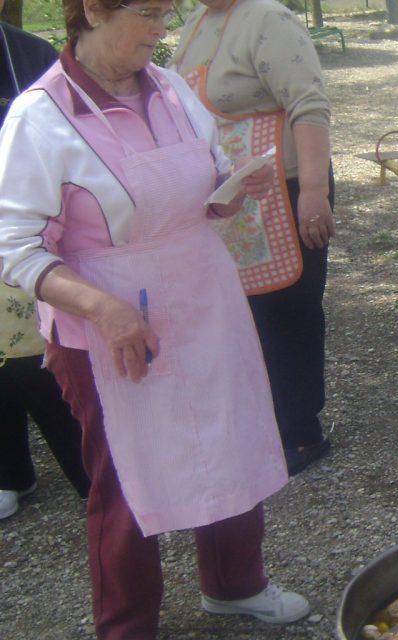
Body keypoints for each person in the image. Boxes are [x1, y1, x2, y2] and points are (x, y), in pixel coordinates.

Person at [0, 0, 311, 636]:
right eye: (148, 12)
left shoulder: (168, 89)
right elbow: (13, 245)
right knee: (126, 473)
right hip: (107, 321)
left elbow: (208, 178)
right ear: (93, 9)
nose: (162, 28)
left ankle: (233, 584)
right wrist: (104, 309)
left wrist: (229, 195)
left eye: (167, 12)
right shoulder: (41, 115)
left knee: (229, 434)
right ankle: (127, 624)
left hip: (203, 296)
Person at [171, 0, 336, 475]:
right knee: (242, 312)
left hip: (286, 189)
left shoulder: (268, 18)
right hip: (236, 197)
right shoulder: (196, 24)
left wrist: (314, 191)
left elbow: (308, 103)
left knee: (288, 309)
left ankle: (299, 432)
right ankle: (257, 424)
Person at [1, 11, 91, 520]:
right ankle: (10, 472)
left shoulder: (28, 54)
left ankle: (89, 472)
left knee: (34, 361)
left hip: (22, 224)